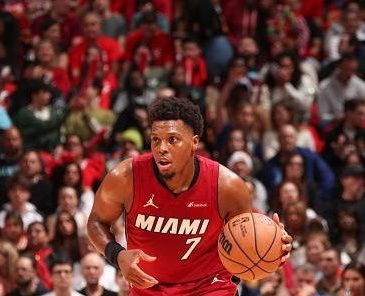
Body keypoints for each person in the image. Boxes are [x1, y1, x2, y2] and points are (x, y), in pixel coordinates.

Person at [87, 97, 292, 295]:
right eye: (155, 140)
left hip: (210, 287)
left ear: (194, 143)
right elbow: (96, 222)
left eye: (172, 140)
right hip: (148, 290)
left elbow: (248, 244)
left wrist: (273, 247)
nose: (162, 149)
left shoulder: (227, 186)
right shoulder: (125, 177)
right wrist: (117, 255)